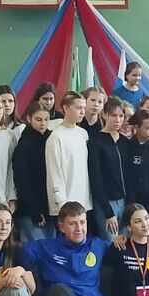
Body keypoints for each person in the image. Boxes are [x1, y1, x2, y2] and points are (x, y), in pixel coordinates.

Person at [89, 97, 135, 239]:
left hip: (125, 201)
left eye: (121, 116)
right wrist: (108, 212)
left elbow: (129, 175)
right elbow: (95, 178)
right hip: (106, 201)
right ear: (104, 115)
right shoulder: (96, 141)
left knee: (126, 242)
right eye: (113, 115)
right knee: (111, 243)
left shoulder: (125, 141)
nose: (118, 120)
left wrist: (131, 203)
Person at [46, 91, 94, 226]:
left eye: (84, 108)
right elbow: (54, 172)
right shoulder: (56, 137)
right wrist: (61, 202)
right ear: (66, 108)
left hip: (83, 200)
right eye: (78, 108)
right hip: (66, 202)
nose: (82, 112)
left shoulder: (83, 133)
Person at [11, 106, 52, 241]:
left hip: (50, 206)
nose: (43, 123)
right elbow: (22, 181)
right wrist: (34, 210)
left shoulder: (51, 139)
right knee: (37, 247)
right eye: (38, 119)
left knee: (52, 247)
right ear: (29, 119)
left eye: (46, 119)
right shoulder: (24, 145)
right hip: (30, 209)